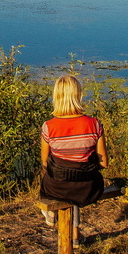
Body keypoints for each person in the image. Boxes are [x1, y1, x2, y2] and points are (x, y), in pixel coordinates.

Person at [38, 74, 108, 226]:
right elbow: (104, 163)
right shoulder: (95, 124)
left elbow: (45, 162)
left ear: (56, 96)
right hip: (89, 188)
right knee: (77, 177)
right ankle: (75, 236)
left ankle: (50, 213)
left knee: (64, 176)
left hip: (56, 188)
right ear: (78, 95)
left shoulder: (48, 127)